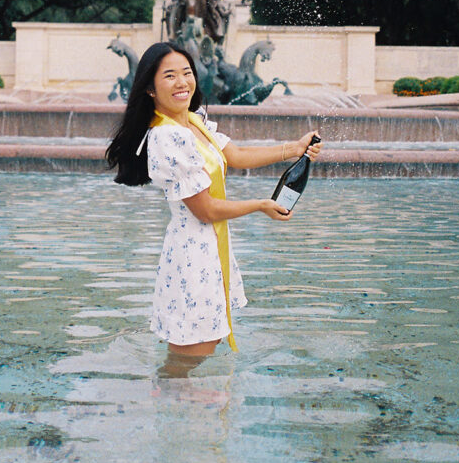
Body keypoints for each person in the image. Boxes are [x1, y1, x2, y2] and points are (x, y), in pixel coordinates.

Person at [106, 42, 321, 361]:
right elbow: (204, 210)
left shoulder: (191, 121)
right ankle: (170, 406)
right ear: (150, 88)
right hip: (192, 258)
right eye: (169, 76)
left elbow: (234, 155)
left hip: (209, 252)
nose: (182, 82)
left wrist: (294, 149)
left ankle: (186, 407)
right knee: (188, 360)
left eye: (187, 73)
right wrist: (260, 205)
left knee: (202, 354)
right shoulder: (167, 136)